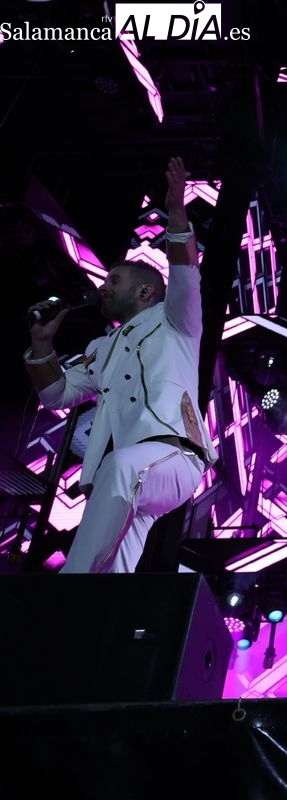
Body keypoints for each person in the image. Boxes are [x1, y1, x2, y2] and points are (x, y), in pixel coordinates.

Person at [23, 157, 216, 573]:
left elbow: (186, 276)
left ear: (146, 292)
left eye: (114, 281)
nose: (104, 288)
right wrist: (42, 345)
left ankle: (68, 591)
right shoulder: (102, 347)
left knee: (120, 468)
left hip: (173, 456)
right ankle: (94, 611)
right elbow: (56, 395)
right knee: (115, 564)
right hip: (129, 474)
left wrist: (177, 212)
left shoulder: (175, 321)